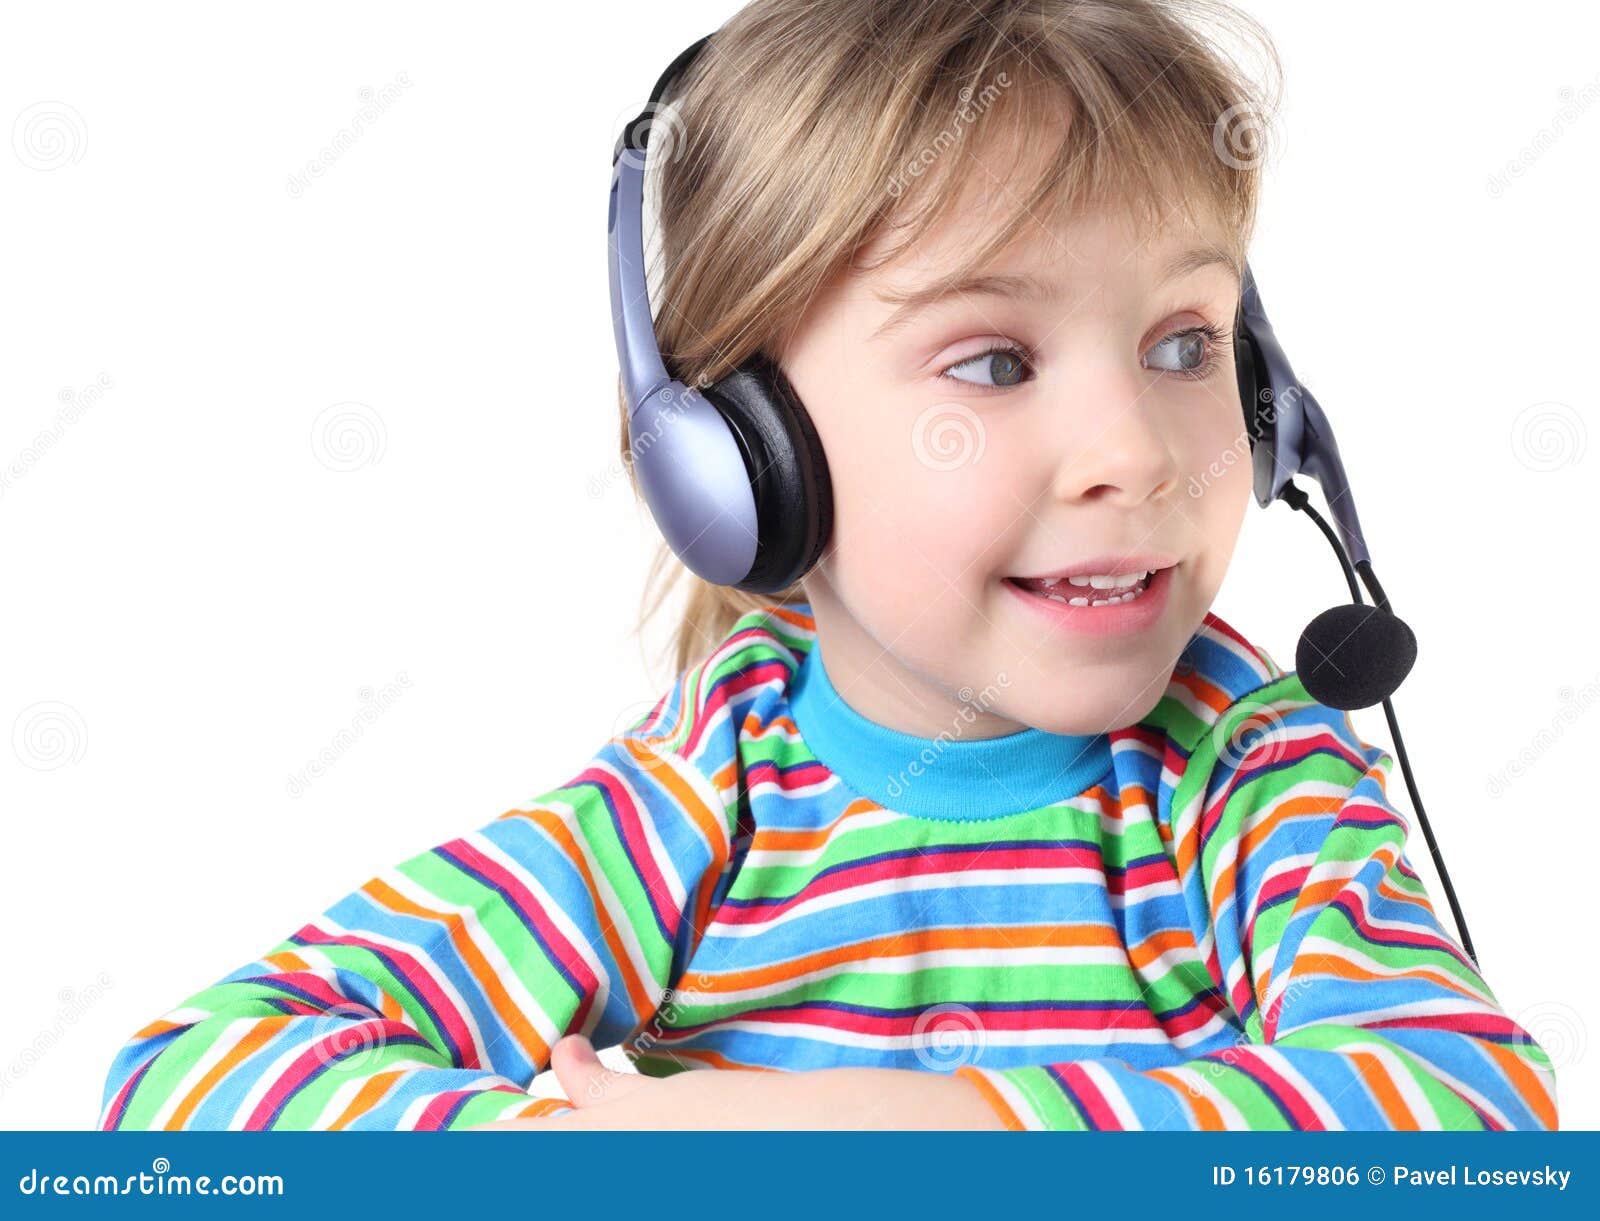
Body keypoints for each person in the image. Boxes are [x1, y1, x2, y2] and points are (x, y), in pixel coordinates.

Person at [100, 0, 1558, 1131]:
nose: (1134, 451)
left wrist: (868, 1130)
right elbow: (195, 1082)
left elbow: (1464, 1111)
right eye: (994, 363)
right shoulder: (701, 795)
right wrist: (580, 1152)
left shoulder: (1248, 777)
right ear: (737, 458)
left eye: (1184, 344)